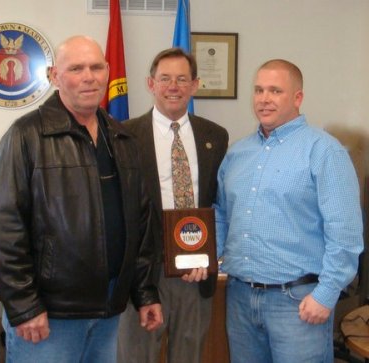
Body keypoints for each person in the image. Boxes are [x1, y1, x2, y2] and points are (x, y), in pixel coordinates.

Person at [0, 35, 162, 363]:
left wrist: (145, 292)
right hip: (50, 315)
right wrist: (24, 306)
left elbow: (141, 222)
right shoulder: (26, 136)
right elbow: (2, 228)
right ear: (54, 76)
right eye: (76, 68)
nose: (89, 76)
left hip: (108, 309)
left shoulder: (122, 138)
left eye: (96, 67)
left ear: (108, 71)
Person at [215, 59, 364, 363]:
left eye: (275, 90)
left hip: (298, 303)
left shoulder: (324, 151)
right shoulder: (237, 154)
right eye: (258, 90)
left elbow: (346, 234)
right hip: (240, 299)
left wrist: (326, 294)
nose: (264, 99)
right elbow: (221, 215)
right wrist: (203, 256)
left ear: (297, 98)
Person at [117, 47, 229, 363]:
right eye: (165, 78)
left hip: (196, 273)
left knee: (189, 356)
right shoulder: (123, 135)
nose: (173, 86)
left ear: (195, 85)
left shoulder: (215, 136)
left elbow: (219, 203)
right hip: (144, 275)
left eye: (182, 79)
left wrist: (210, 255)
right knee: (136, 357)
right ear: (150, 84)